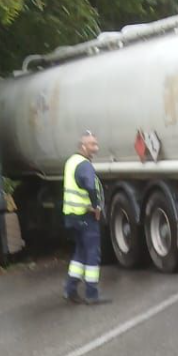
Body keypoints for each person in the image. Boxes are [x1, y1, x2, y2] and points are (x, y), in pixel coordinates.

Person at [63, 131, 109, 305]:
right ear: (83, 146)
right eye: (92, 145)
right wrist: (96, 206)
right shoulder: (85, 165)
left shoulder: (71, 162)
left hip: (72, 216)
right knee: (92, 254)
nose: (95, 148)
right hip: (85, 216)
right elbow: (89, 185)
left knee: (80, 252)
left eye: (96, 144)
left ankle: (70, 289)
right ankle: (92, 294)